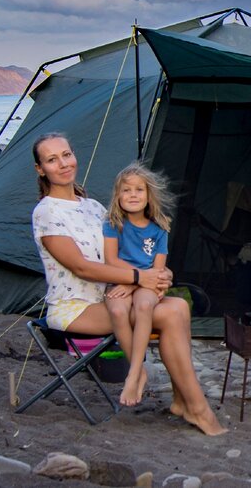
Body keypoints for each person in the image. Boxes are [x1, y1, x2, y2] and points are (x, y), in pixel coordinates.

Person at [30, 132, 226, 435]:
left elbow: (126, 255)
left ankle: (181, 400)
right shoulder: (46, 212)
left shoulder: (93, 207)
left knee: (178, 305)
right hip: (75, 309)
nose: (63, 164)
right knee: (172, 311)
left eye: (66, 155)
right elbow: (81, 267)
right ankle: (197, 407)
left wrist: (159, 274)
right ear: (41, 169)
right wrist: (140, 278)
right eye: (52, 159)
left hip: (113, 296)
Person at [101, 162, 172, 407]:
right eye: (126, 190)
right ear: (117, 195)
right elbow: (111, 260)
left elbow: (159, 268)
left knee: (144, 307)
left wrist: (136, 284)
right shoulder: (113, 223)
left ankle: (131, 374)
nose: (132, 195)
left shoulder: (160, 228)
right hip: (120, 279)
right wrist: (133, 280)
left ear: (149, 194)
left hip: (147, 286)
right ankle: (137, 370)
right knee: (118, 309)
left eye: (139, 190)